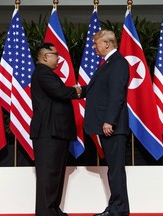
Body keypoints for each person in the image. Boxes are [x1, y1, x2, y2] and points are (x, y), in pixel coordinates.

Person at [81, 30, 130, 216]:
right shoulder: (109, 63)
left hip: (113, 127)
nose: (94, 47)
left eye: (96, 44)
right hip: (108, 126)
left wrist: (109, 120)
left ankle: (119, 210)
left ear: (107, 44)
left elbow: (117, 95)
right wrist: (78, 91)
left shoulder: (118, 63)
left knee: (116, 170)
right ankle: (115, 207)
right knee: (113, 170)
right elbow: (98, 90)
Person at [30, 42, 82, 216]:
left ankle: (52, 209)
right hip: (47, 132)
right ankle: (46, 212)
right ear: (45, 56)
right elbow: (60, 92)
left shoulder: (47, 73)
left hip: (56, 132)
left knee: (56, 174)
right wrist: (79, 91)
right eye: (56, 55)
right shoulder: (43, 73)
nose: (59, 58)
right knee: (48, 175)